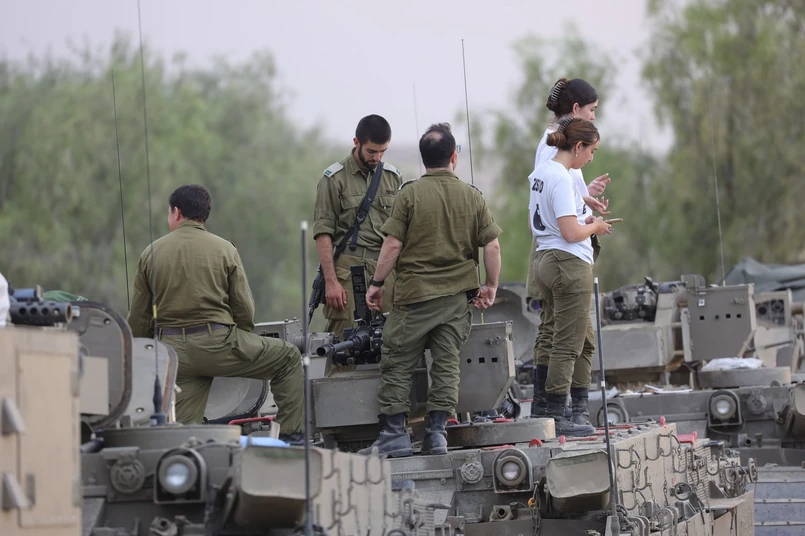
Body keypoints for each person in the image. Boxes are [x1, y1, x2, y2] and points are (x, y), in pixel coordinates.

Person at [358, 122, 502, 458]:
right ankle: (436, 434)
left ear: (424, 158)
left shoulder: (408, 195)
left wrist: (376, 284)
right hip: (456, 299)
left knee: (397, 362)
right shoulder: (472, 195)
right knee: (446, 365)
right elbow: (492, 246)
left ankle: (394, 435)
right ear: (454, 157)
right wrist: (491, 285)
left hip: (414, 297)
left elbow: (393, 245)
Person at [127, 184, 305, 443]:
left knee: (183, 433)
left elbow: (140, 317)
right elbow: (243, 307)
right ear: (204, 214)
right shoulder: (224, 249)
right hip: (219, 345)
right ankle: (292, 439)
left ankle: (186, 457)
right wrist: (241, 340)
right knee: (288, 357)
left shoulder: (150, 253)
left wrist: (143, 353)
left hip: (174, 355)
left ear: (176, 212)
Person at [526, 78, 611, 425]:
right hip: (566, 257)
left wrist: (583, 198)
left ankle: (548, 408)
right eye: (590, 151)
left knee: (559, 334)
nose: (590, 158)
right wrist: (594, 226)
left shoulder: (549, 166)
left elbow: (548, 210)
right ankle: (561, 413)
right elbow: (570, 230)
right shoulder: (558, 169)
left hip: (550, 255)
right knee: (570, 341)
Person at [312, 115, 403, 337]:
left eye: (383, 151)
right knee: (347, 341)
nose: (377, 157)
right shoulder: (334, 179)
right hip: (349, 270)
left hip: (386, 270)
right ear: (356, 142)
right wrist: (331, 281)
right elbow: (323, 233)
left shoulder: (393, 178)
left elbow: (401, 233)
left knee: (391, 340)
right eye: (371, 151)